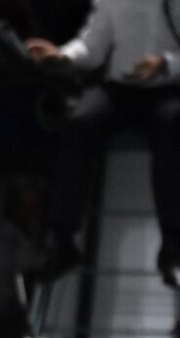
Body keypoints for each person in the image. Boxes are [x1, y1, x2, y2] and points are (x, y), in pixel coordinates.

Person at [25, 0, 180, 285]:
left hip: (167, 87)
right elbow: (93, 47)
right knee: (80, 121)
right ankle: (63, 239)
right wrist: (62, 55)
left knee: (171, 124)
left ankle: (173, 246)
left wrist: (165, 65)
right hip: (122, 87)